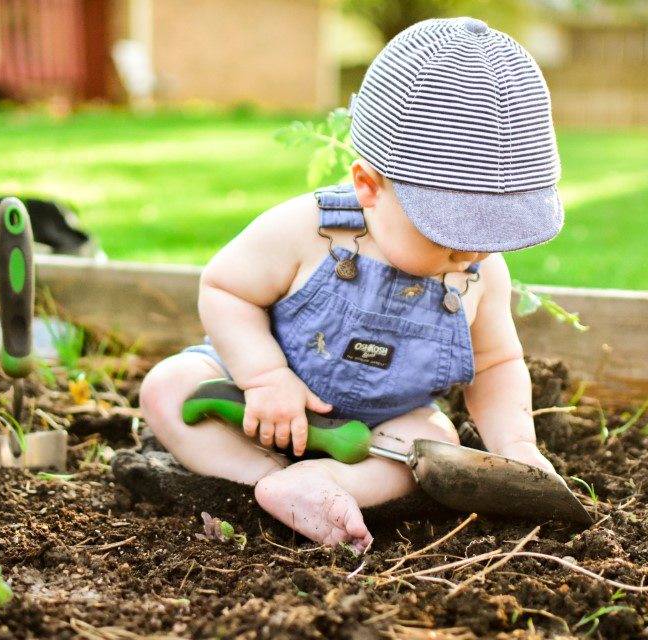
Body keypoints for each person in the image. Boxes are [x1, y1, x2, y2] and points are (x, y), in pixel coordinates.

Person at [138, 17, 565, 552]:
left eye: (491, 236)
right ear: (369, 185)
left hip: (378, 431)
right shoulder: (307, 230)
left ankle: (326, 487)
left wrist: (516, 445)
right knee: (168, 387)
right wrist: (265, 377)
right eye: (450, 236)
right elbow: (226, 290)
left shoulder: (481, 271)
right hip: (260, 401)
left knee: (432, 447)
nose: (472, 254)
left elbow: (498, 363)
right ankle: (258, 479)